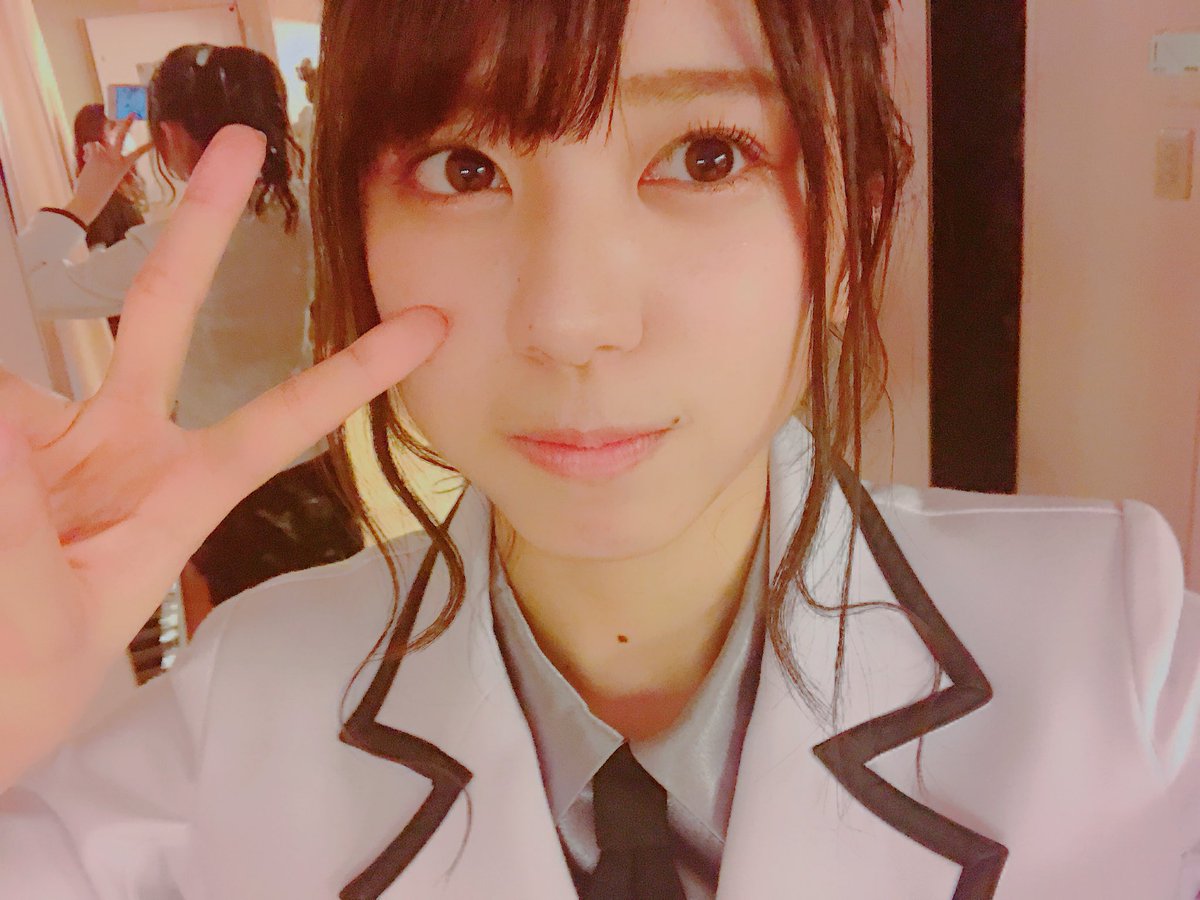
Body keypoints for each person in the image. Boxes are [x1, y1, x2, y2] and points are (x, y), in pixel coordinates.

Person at [0, 1, 1197, 898]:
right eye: (463, 168)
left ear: (853, 227)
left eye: (708, 155)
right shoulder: (237, 714)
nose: (569, 320)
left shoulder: (1126, 666)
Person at [20, 44, 362, 627]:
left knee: (246, 632)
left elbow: (27, 289)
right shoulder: (310, 212)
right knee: (342, 616)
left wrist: (88, 195)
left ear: (172, 136)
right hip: (313, 451)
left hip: (220, 467)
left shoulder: (166, 245)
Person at [72, 103, 147, 335]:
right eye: (114, 127)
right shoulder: (102, 199)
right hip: (126, 317)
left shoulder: (118, 194)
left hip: (137, 309)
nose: (125, 134)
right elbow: (98, 261)